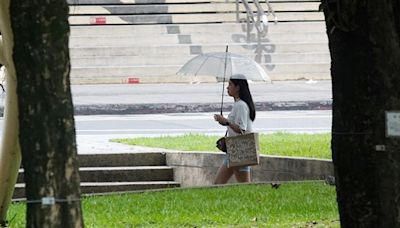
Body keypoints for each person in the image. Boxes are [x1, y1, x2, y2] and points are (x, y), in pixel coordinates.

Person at [213, 74, 256, 184]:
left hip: (239, 150)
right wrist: (223, 121)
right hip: (236, 150)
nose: (227, 87)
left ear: (238, 87)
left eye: (230, 84)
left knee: (220, 184)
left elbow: (242, 129)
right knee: (223, 184)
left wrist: (226, 121)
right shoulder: (238, 104)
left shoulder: (240, 105)